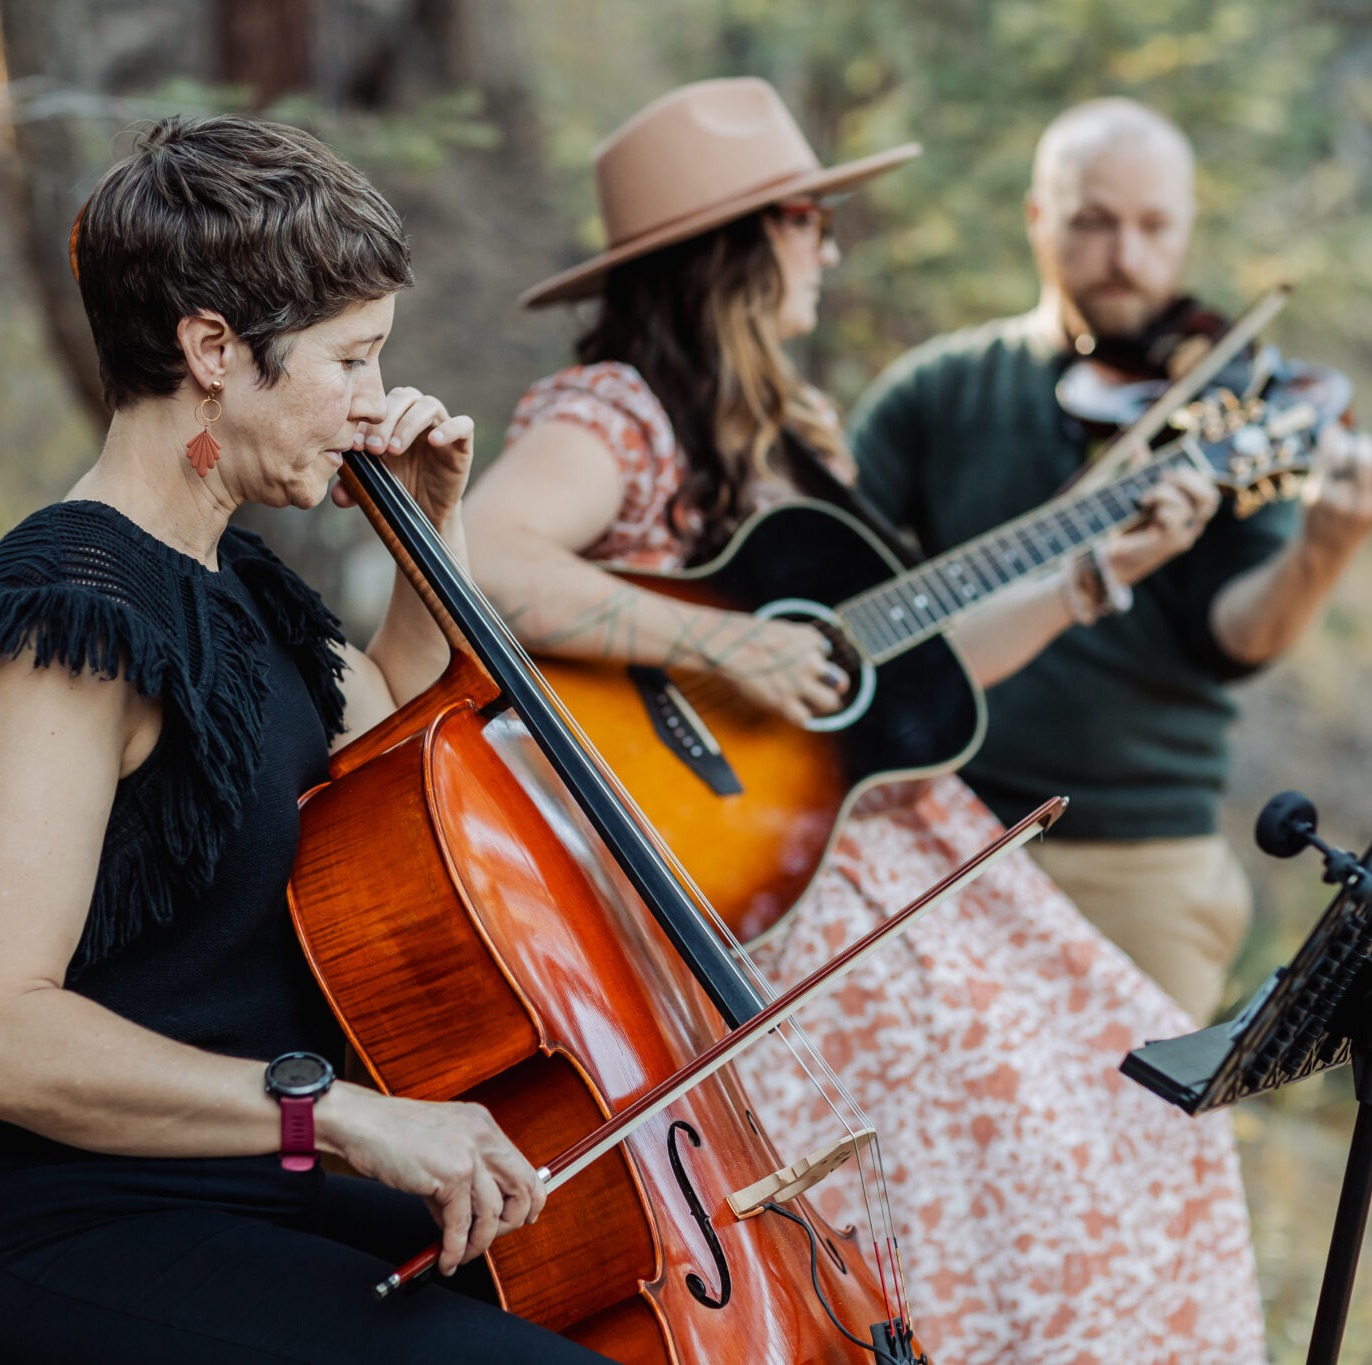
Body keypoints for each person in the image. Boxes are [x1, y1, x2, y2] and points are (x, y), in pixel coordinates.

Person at [467, 77, 1264, 1363]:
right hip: (733, 874)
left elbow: (905, 671)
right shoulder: (617, 409)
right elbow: (488, 559)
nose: (827, 251)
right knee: (967, 1166)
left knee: (1143, 1101)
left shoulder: (793, 429)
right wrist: (723, 642)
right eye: (808, 223)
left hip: (870, 852)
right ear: (747, 240)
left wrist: (1091, 574)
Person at [0, 115, 609, 1365]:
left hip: (245, 1193)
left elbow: (397, 753)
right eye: (351, 360)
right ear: (212, 349)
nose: (377, 402)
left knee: (577, 1274)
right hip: (50, 1233)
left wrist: (428, 532)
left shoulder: (241, 590)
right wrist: (345, 1116)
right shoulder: (71, 619)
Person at [849, 98, 1372, 1023]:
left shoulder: (1220, 411)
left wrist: (1325, 546)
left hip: (1139, 859)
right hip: (923, 832)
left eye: (1154, 227)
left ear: (1187, 227)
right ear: (1038, 218)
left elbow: (1236, 635)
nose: (1126, 258)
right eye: (1093, 222)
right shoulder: (937, 389)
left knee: (1135, 1147)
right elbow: (829, 588)